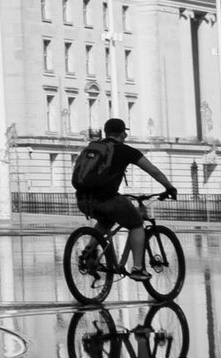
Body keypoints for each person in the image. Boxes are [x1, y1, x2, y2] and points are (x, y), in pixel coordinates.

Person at [72, 118, 179, 278]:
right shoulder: (125, 150)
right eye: (124, 132)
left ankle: (89, 251)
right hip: (106, 199)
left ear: (106, 132)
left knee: (106, 220)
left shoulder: (92, 148)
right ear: (122, 133)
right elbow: (153, 171)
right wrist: (169, 187)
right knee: (136, 224)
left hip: (83, 199)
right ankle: (137, 268)